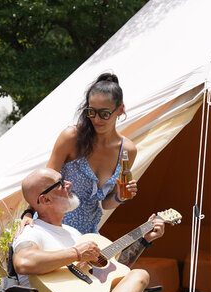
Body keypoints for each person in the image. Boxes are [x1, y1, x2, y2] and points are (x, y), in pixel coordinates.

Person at [12, 168, 165, 292]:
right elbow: (23, 262)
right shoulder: (33, 231)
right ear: (45, 200)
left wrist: (144, 239)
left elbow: (115, 270)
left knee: (139, 275)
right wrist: (76, 253)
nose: (69, 184)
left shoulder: (73, 233)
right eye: (61, 183)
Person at [20, 73, 138, 234]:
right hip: (53, 230)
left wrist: (121, 196)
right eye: (91, 112)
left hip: (88, 235)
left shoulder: (127, 150)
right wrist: (27, 214)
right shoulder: (72, 137)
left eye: (104, 114)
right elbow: (44, 184)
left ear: (120, 110)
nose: (96, 119)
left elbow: (106, 204)